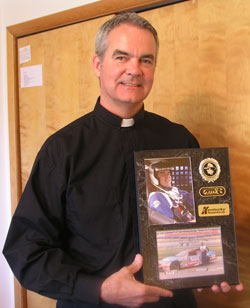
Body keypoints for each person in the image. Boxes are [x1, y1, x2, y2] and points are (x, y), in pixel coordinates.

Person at [3, 12, 243, 308]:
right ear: (98, 64)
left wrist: (211, 265)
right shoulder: (61, 150)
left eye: (146, 60)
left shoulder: (179, 140)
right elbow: (26, 252)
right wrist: (99, 289)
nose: (135, 69)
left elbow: (198, 225)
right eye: (121, 57)